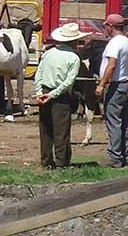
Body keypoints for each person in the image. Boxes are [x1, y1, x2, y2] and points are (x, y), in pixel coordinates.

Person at [34, 22, 89, 169]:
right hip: (60, 96)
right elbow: (68, 82)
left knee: (45, 129)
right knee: (61, 130)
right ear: (75, 41)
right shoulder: (74, 58)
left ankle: (46, 161)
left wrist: (40, 92)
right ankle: (62, 162)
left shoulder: (48, 53)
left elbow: (38, 74)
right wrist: (53, 95)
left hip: (45, 91)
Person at [95, 14, 128, 168]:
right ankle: (125, 154)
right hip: (126, 84)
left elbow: (111, 65)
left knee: (114, 121)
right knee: (124, 122)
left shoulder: (114, 43)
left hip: (116, 85)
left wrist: (102, 84)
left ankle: (115, 157)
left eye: (105, 26)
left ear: (110, 26)